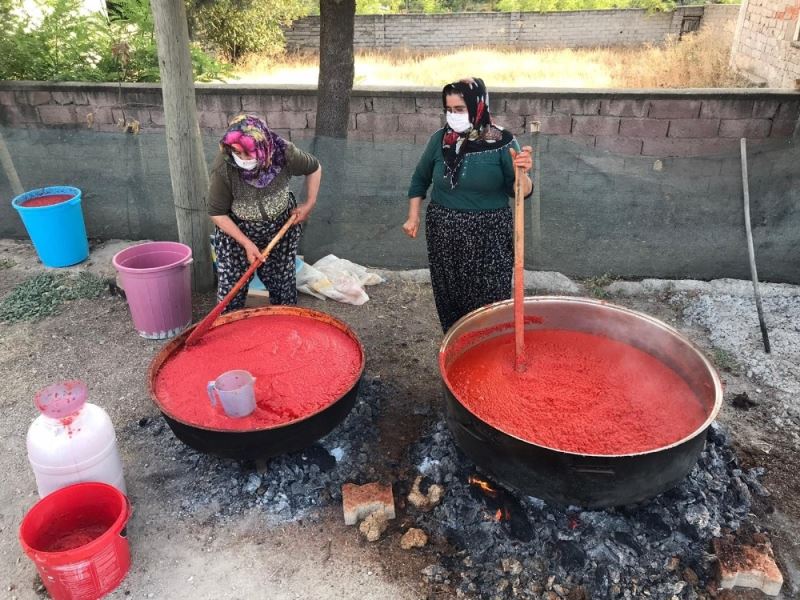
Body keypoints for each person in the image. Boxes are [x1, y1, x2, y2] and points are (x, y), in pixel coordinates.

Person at [403, 77, 533, 332]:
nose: (453, 115)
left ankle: (487, 345)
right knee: (450, 292)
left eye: (460, 109)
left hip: (489, 232)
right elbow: (420, 179)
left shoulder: (502, 142)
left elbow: (521, 192)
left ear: (478, 105)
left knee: (489, 292)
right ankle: (455, 343)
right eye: (449, 110)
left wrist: (523, 173)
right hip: (444, 230)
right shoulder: (440, 140)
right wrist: (413, 216)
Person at [207, 114, 321, 311]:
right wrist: (246, 243)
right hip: (237, 232)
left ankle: (283, 329)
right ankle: (230, 333)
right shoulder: (223, 166)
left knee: (283, 287)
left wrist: (309, 203)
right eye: (237, 152)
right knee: (231, 291)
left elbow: (314, 167)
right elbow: (217, 213)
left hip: (280, 229)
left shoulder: (284, 153)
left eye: (248, 154)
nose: (242, 159)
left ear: (263, 147)